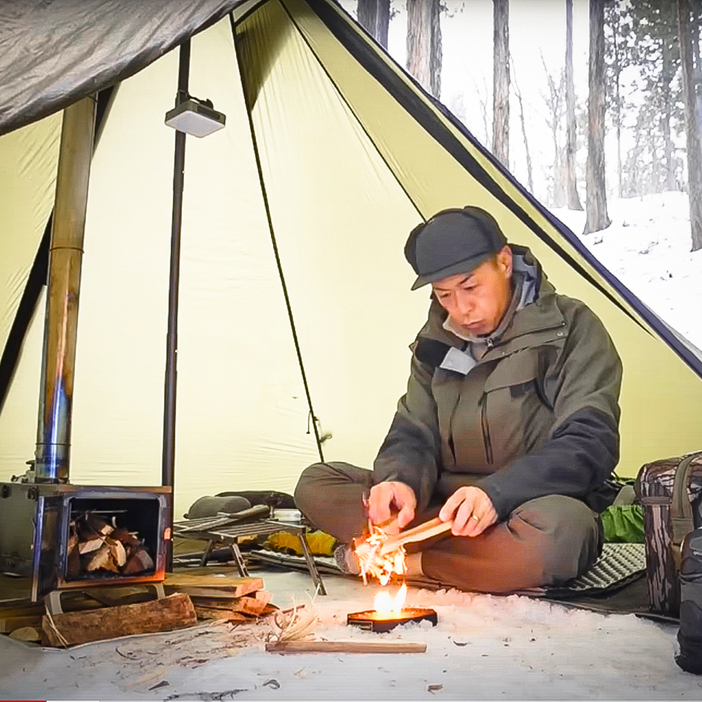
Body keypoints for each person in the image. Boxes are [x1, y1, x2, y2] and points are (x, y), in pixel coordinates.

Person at [294, 206, 622, 593]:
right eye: (443, 294)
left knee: (557, 537)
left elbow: (590, 442)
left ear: (503, 262)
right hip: (442, 507)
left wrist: (494, 495)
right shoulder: (436, 341)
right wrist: (400, 484)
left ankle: (406, 561)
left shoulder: (571, 329)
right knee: (316, 482)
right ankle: (456, 556)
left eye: (470, 288)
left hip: (524, 507)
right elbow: (413, 433)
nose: (461, 309)